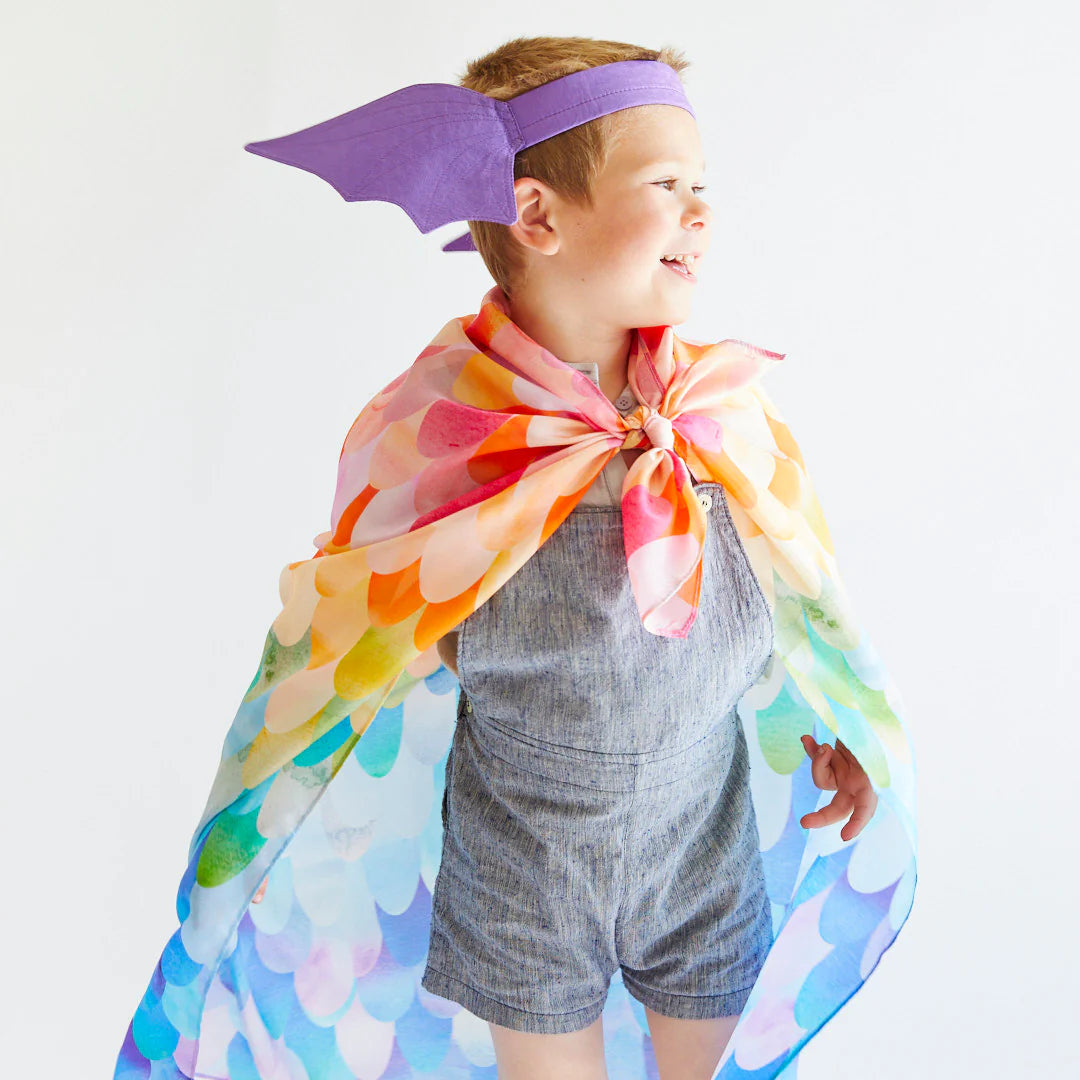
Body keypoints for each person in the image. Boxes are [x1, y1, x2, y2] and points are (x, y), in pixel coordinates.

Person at [117, 35, 913, 1080]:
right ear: (538, 217)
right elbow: (358, 613)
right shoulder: (442, 427)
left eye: (703, 185)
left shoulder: (719, 412)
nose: (702, 211)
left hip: (701, 843)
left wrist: (830, 725)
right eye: (667, 185)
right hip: (522, 863)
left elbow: (796, 594)